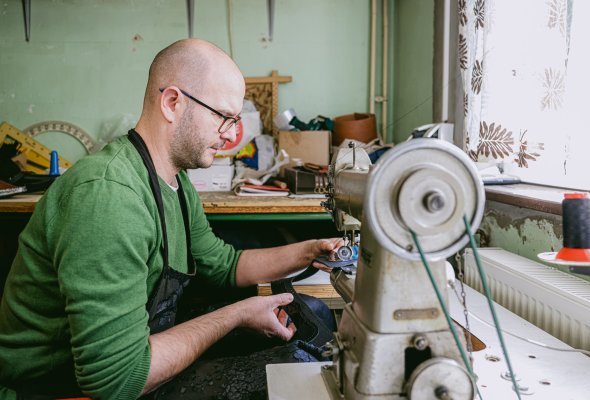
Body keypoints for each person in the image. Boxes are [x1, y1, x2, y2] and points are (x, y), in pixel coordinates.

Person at [0, 39, 340, 399]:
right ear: (172, 102)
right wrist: (236, 315)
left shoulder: (174, 181)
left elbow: (223, 265)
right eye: (223, 116)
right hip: (56, 387)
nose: (229, 134)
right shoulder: (109, 196)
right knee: (288, 376)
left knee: (312, 313)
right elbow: (116, 382)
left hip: (131, 355)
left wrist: (308, 251)